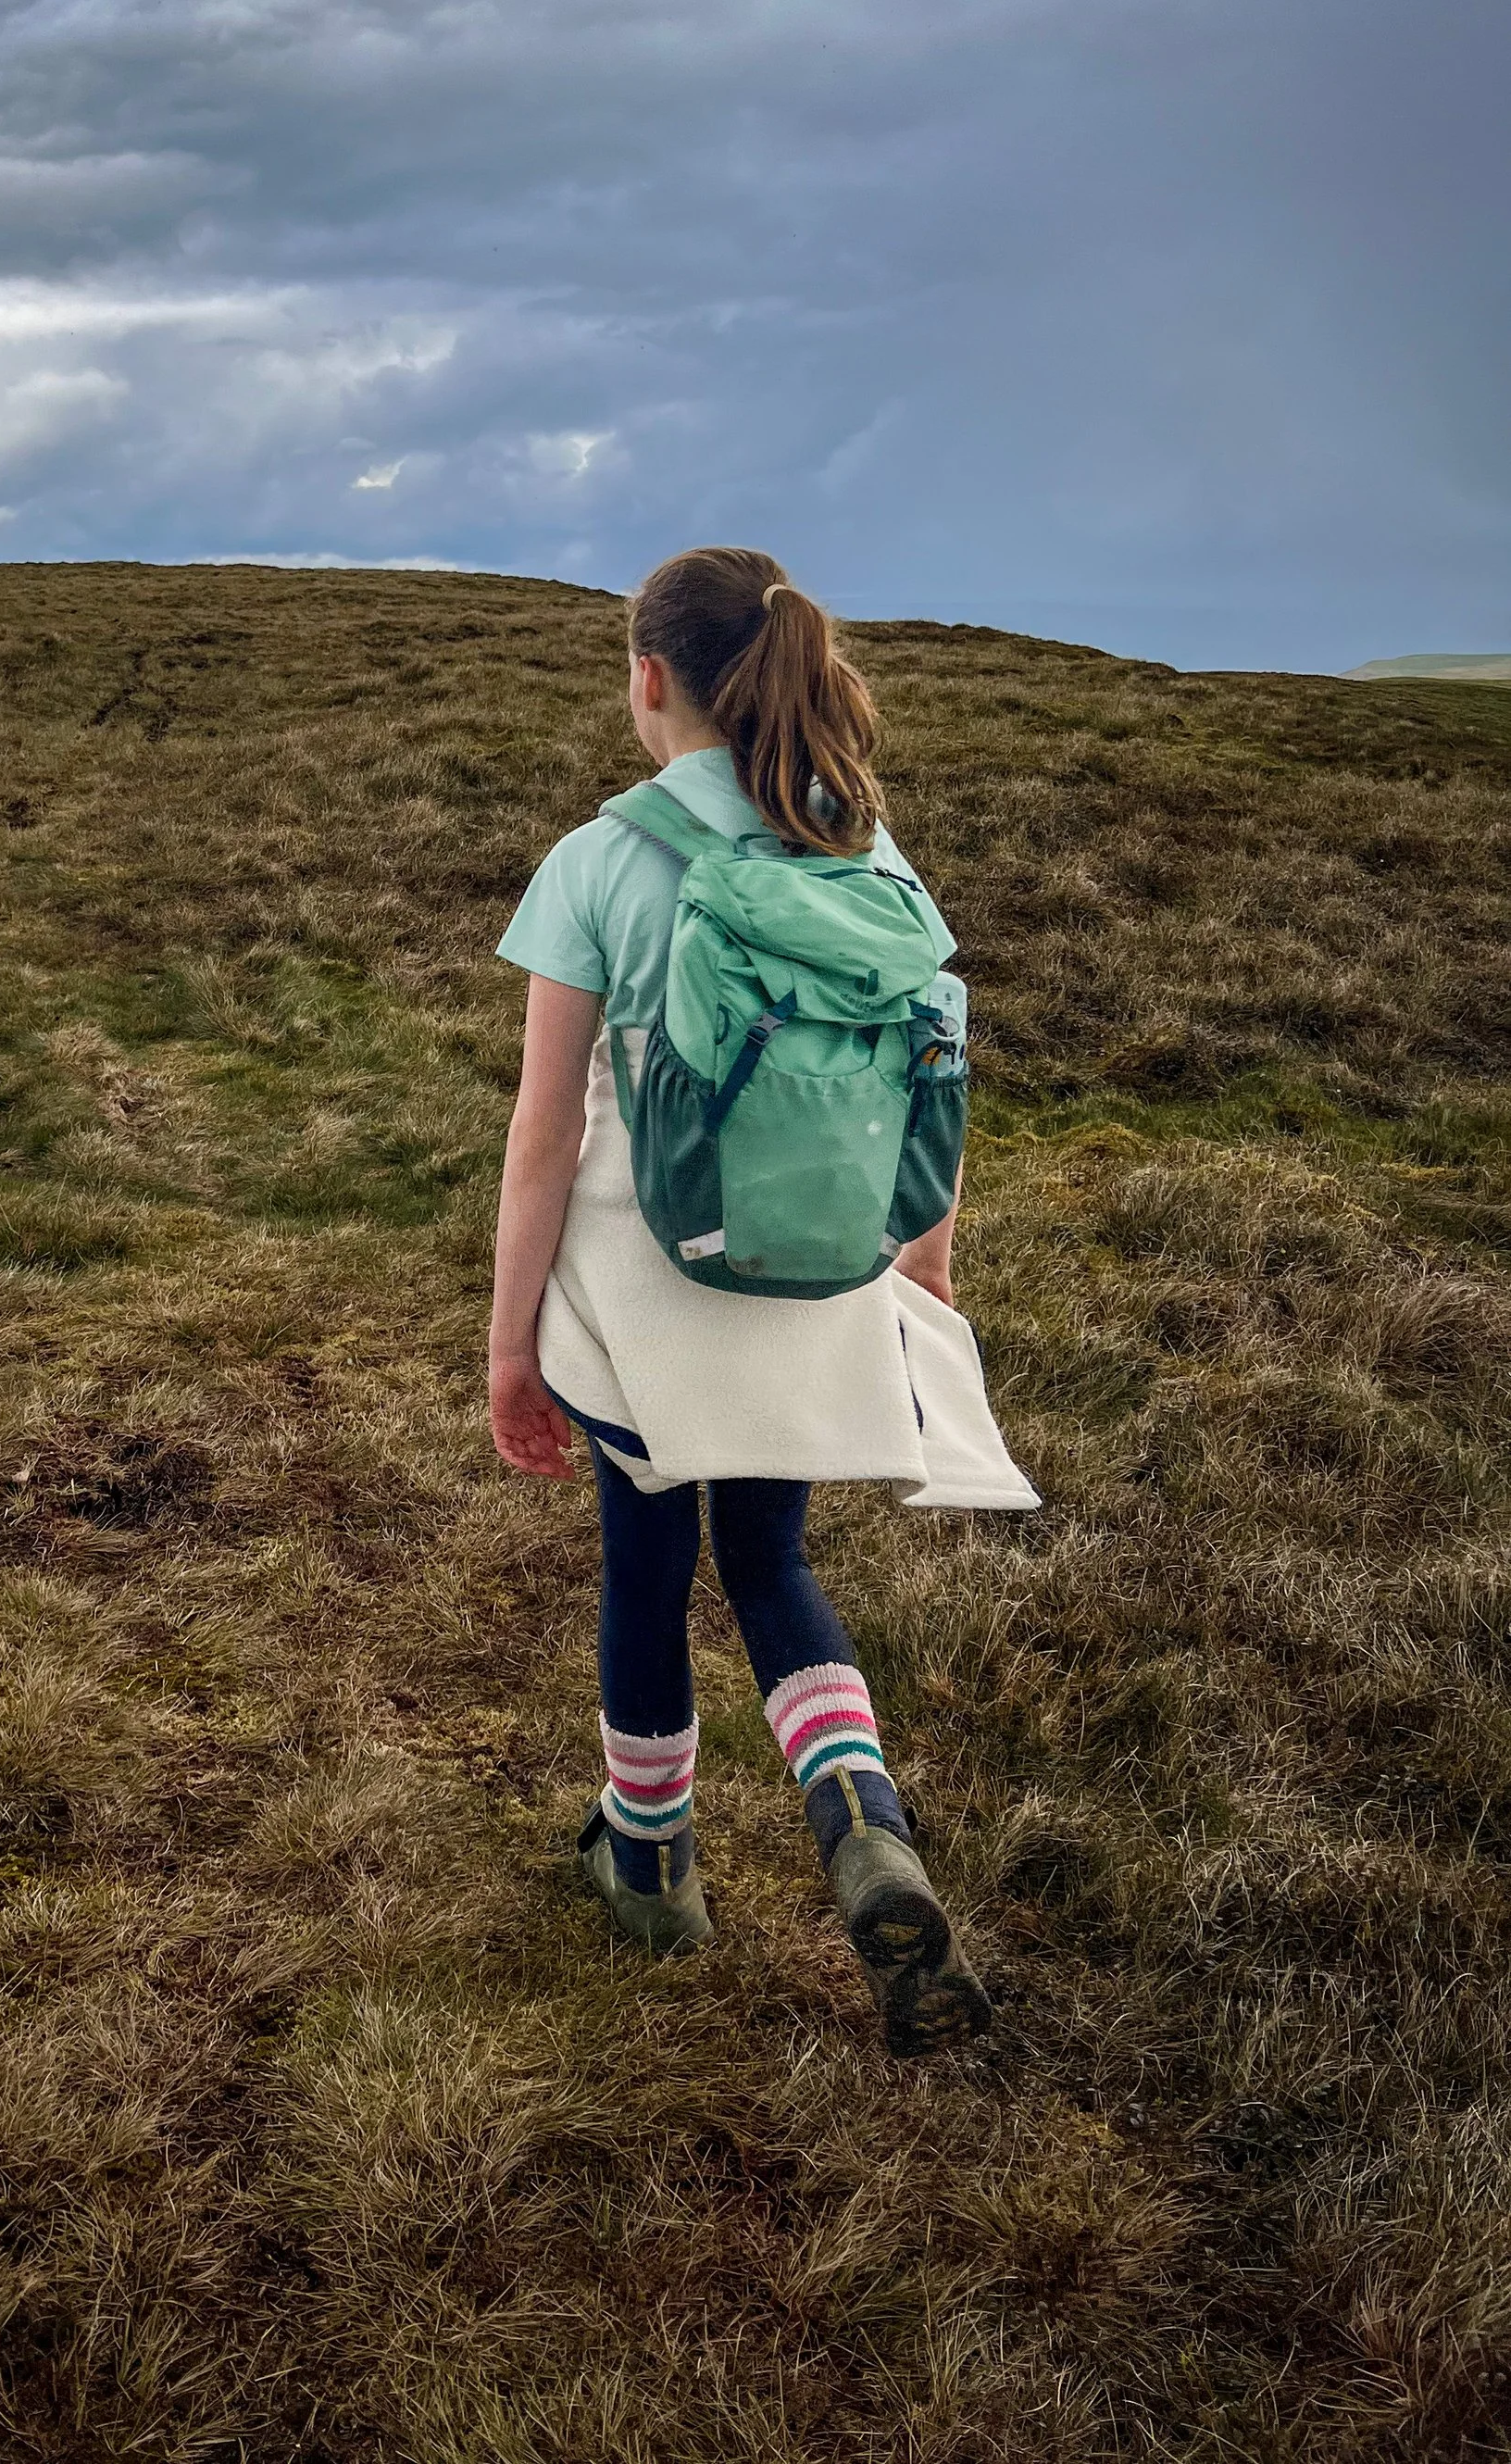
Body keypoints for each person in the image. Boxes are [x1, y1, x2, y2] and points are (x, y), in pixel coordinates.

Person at [491, 544, 1027, 2056]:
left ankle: (651, 1865)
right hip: (819, 1261)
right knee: (772, 1558)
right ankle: (863, 1820)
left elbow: (548, 1131)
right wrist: (922, 1265)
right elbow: (940, 1076)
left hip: (641, 1283)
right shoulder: (865, 848)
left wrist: (508, 1340)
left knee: (645, 1569)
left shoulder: (602, 855)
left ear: (651, 679)